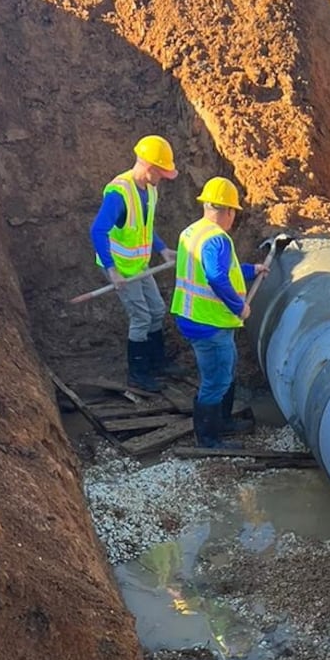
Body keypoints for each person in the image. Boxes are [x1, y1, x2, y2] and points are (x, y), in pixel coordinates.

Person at [170, 177, 268, 449]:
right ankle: (209, 439)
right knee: (216, 380)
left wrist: (252, 270)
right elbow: (215, 276)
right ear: (227, 211)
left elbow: (223, 271)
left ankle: (222, 421)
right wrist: (240, 307)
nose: (233, 218)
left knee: (227, 368)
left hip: (194, 315)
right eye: (233, 212)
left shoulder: (192, 232)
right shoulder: (217, 239)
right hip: (208, 322)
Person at [90, 134, 181, 393]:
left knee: (157, 309)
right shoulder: (120, 193)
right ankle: (138, 374)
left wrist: (162, 249)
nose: (163, 177)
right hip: (121, 268)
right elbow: (98, 231)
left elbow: (143, 227)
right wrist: (112, 270)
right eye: (161, 172)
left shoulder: (149, 190)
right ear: (150, 167)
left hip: (139, 264)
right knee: (140, 316)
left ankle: (157, 362)